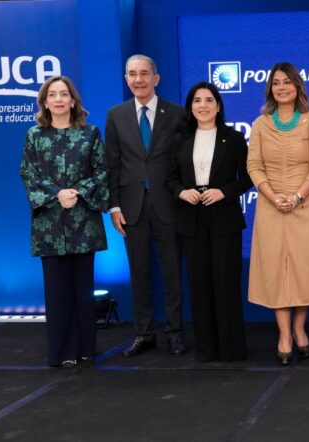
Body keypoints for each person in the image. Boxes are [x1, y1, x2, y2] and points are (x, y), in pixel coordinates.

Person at [247, 62, 309, 366]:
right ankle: (284, 334)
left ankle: (299, 328)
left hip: (305, 205)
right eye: (276, 83)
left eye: (287, 82)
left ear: (298, 86)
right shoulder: (260, 124)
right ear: (270, 89)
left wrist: (297, 197)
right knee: (276, 271)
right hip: (270, 206)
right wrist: (273, 196)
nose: (281, 88)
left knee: (303, 270)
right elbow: (254, 165)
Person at [20, 76, 109, 368]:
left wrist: (77, 192)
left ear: (73, 100)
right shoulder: (35, 135)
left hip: (83, 223)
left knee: (83, 291)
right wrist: (56, 194)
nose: (58, 99)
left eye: (64, 94)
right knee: (57, 292)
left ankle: (86, 350)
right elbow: (28, 174)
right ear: (45, 102)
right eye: (52, 95)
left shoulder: (90, 133)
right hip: (49, 226)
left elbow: (102, 170)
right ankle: (63, 351)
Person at [105, 54, 188, 358]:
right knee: (139, 273)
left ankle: (175, 332)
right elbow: (112, 164)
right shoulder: (116, 115)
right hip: (131, 206)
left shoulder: (178, 114)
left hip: (170, 204)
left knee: (172, 273)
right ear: (126, 78)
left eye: (143, 73)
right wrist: (114, 206)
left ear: (156, 78)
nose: (138, 79)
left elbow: (184, 161)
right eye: (132, 74)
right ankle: (144, 333)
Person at [168, 82, 253, 362]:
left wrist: (224, 192)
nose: (202, 105)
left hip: (224, 216)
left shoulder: (234, 138)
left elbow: (247, 178)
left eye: (208, 100)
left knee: (226, 284)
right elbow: (170, 178)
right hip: (191, 217)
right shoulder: (179, 139)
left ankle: (231, 349)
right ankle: (206, 349)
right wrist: (182, 191)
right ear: (190, 107)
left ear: (218, 106)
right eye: (197, 100)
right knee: (199, 284)